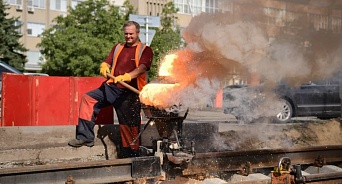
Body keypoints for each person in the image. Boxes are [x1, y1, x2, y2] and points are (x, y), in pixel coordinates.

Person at [68, 21, 153, 158]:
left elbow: (142, 68)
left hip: (130, 93)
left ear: (138, 33)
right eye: (126, 33)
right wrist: (104, 65)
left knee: (129, 127)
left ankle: (132, 157)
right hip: (112, 87)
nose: (128, 36)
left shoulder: (145, 50)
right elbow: (108, 60)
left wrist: (127, 76)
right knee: (88, 99)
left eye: (131, 34)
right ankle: (85, 137)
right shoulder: (118, 47)